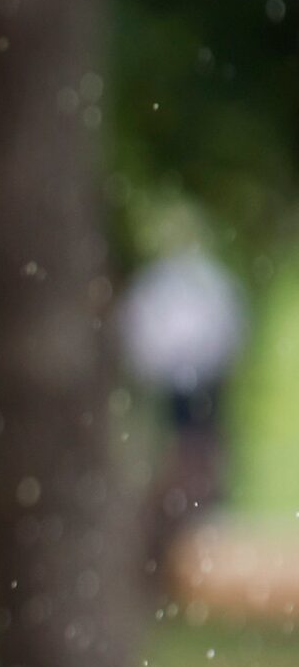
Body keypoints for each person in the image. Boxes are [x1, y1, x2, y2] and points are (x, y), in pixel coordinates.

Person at [118, 234, 247, 593]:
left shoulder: (198, 282)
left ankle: (198, 507)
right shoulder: (178, 283)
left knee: (196, 443)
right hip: (178, 380)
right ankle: (183, 510)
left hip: (193, 377)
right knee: (185, 444)